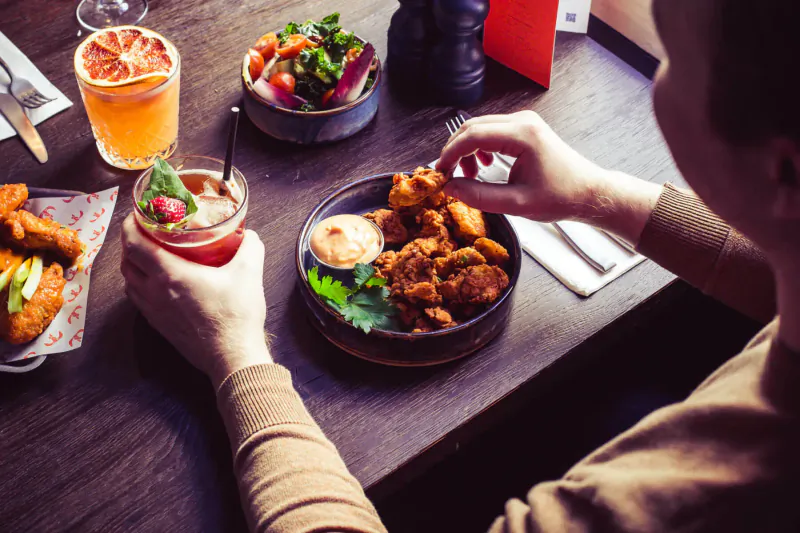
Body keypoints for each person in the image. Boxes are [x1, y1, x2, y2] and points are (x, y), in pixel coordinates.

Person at [121, 0, 800, 530]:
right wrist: (599, 193)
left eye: (674, 56)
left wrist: (234, 349)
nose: (659, 73)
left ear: (781, 170)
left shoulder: (697, 497)